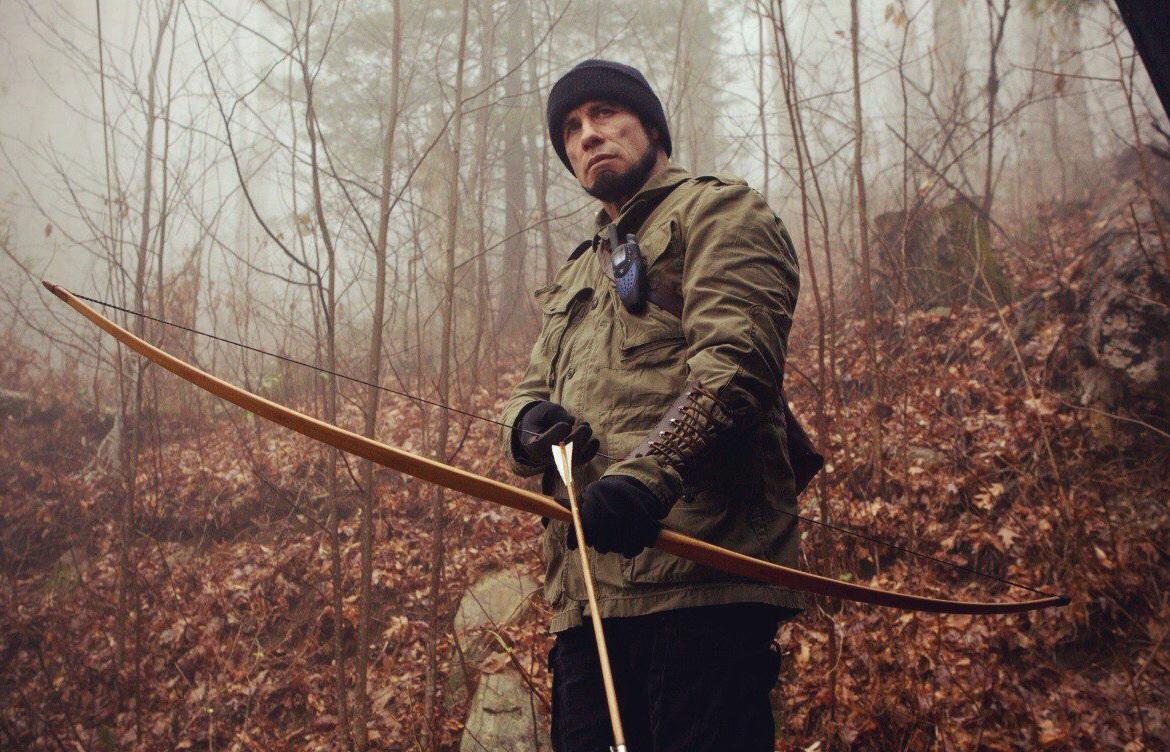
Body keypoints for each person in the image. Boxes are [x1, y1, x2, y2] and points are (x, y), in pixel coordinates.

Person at [499, 59, 804, 752]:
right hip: (587, 604)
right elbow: (528, 389)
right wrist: (526, 427)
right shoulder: (578, 269)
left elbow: (737, 365)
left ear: (653, 127)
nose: (587, 135)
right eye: (570, 128)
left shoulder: (719, 211)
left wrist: (646, 479)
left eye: (604, 113)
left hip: (701, 583)